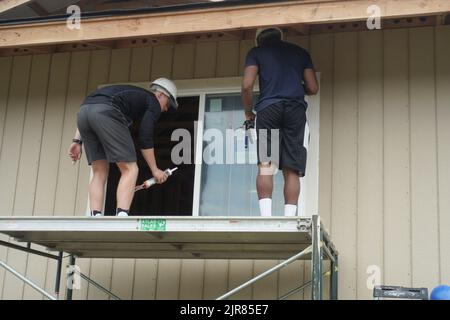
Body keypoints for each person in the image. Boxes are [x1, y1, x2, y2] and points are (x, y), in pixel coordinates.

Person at [68, 78, 178, 217]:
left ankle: (95, 215)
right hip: (107, 113)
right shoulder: (153, 101)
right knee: (130, 169)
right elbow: (145, 136)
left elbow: (90, 108)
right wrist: (155, 170)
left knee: (99, 170)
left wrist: (77, 141)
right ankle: (121, 215)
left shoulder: (128, 94)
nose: (166, 109)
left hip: (83, 113)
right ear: (160, 95)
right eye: (168, 104)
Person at [241, 27, 319, 217]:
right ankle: (289, 218)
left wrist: (248, 112)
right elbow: (313, 87)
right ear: (281, 36)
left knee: (266, 164)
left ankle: (265, 218)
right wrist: (293, 85)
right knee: (292, 168)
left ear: (259, 40)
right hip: (295, 110)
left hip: (269, 110)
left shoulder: (256, 52)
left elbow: (247, 85)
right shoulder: (300, 52)